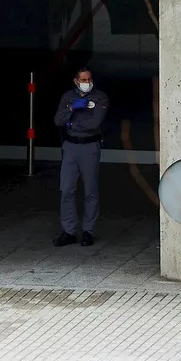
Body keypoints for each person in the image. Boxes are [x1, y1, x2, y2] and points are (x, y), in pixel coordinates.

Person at [52, 67, 109, 247]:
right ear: (76, 81)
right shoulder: (68, 97)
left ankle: (88, 230)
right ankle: (69, 231)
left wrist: (71, 122)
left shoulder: (100, 97)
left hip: (89, 146)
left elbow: (94, 123)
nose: (87, 83)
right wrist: (71, 108)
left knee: (90, 190)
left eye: (89, 79)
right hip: (70, 147)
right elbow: (57, 120)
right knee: (67, 189)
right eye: (83, 80)